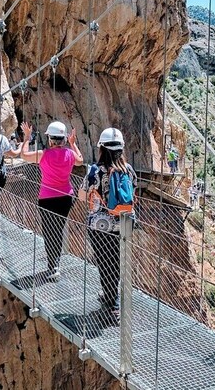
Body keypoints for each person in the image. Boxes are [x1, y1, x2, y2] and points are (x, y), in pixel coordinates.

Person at [82, 127, 137, 321]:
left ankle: (113, 302)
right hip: (123, 223)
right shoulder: (128, 170)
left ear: (102, 149)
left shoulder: (95, 171)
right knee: (117, 262)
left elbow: (83, 195)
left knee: (104, 262)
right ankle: (111, 297)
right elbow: (132, 194)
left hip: (99, 225)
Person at [20, 120, 84, 281]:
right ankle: (56, 262)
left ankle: (53, 265)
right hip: (66, 197)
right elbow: (80, 160)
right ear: (63, 139)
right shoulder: (70, 154)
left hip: (47, 198)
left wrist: (27, 137)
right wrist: (73, 144)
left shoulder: (43, 154)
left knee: (49, 231)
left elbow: (23, 155)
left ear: (50, 139)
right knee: (58, 228)